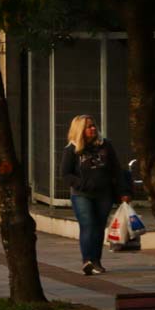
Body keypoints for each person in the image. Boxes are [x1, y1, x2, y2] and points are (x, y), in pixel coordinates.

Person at [63, 114, 130, 276]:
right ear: (80, 130)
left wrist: (124, 192)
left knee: (99, 227)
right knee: (88, 225)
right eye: (88, 126)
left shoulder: (105, 145)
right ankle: (87, 260)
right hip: (81, 194)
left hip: (104, 193)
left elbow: (116, 169)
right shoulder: (72, 149)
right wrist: (82, 184)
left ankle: (96, 261)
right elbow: (65, 174)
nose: (93, 129)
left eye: (93, 126)